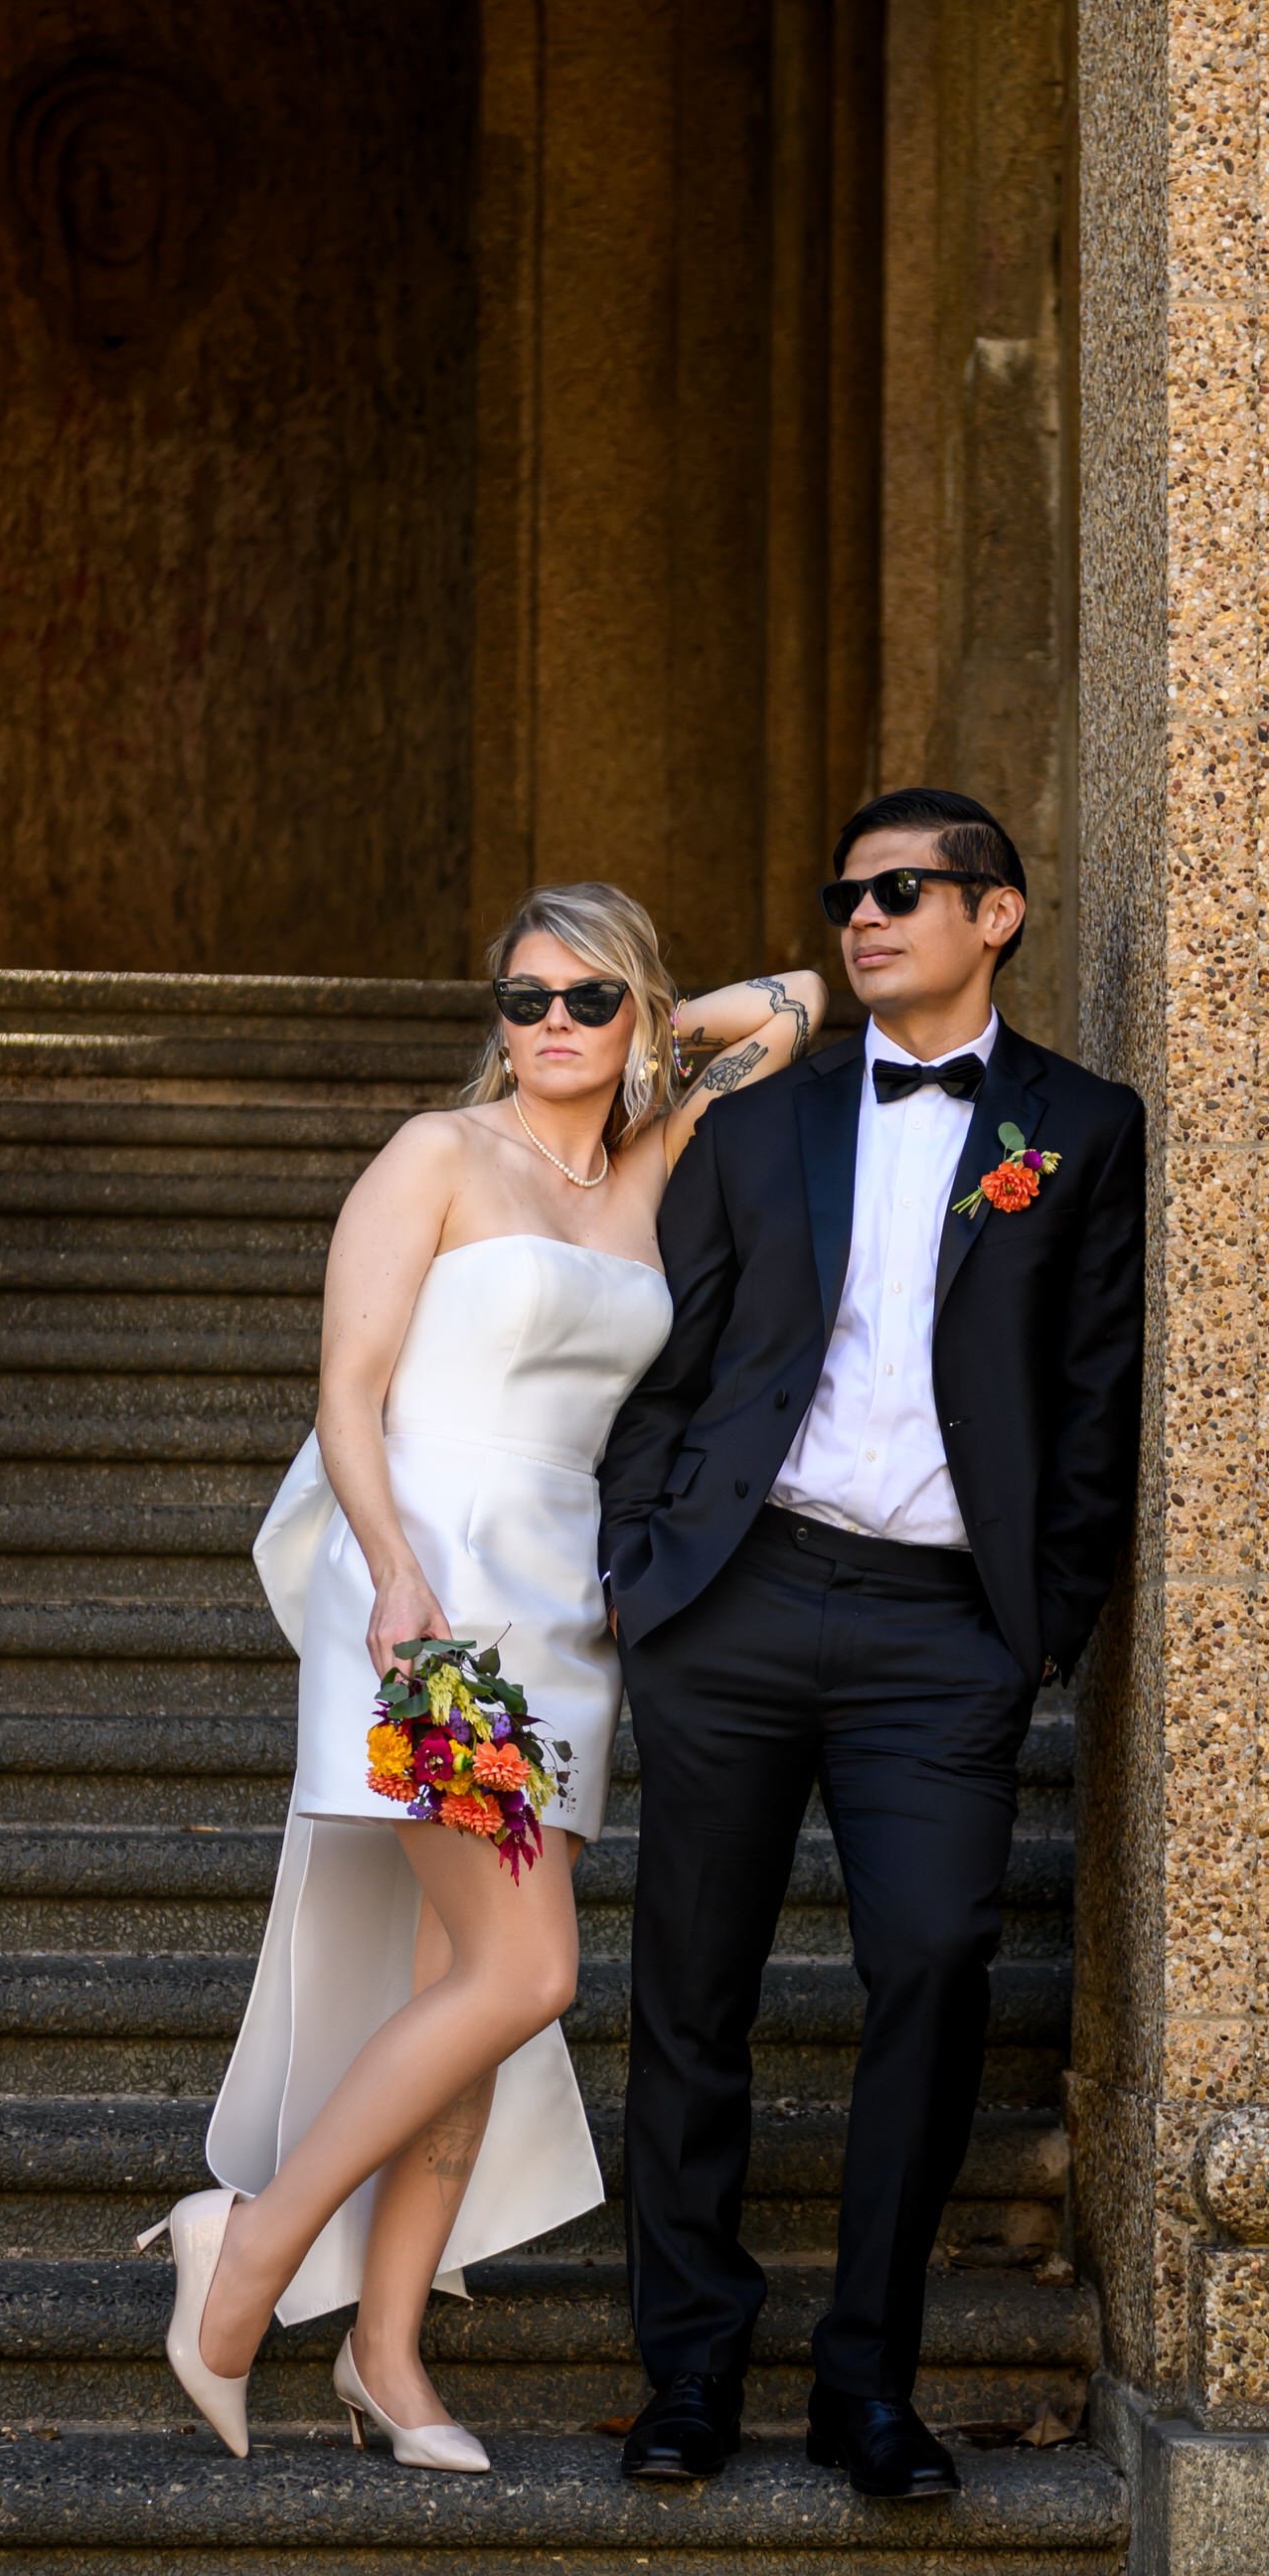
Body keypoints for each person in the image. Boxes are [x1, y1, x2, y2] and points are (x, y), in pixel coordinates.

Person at [137, 882, 826, 2468]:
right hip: (431, 1607)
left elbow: (794, 1001)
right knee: (528, 1972)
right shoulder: (435, 1154)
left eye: (587, 998)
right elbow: (350, 1391)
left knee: (470, 1987)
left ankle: (387, 2356)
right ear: (493, 1019)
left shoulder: (650, 1162)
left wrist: (653, 1033)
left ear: (636, 1010)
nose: (552, 1025)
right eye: (524, 999)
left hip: (565, 1614)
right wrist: (392, 1574)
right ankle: (244, 2246)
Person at [597, 788, 1145, 2498]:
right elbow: (670, 1359)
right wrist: (642, 1566)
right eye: (847, 895)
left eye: (903, 889)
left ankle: (867, 2384)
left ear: (999, 914)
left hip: (941, 1637)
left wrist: (1039, 1628)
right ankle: (690, 2368)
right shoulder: (762, 1124)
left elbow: (1097, 1390)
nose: (865, 917)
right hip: (739, 1599)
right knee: (692, 1988)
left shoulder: (1083, 1125)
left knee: (932, 1962)